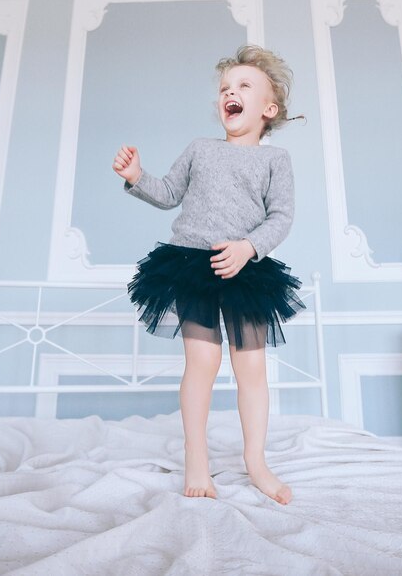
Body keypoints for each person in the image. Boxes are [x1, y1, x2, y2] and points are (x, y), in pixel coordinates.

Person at [112, 44, 306, 505]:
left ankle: (255, 461)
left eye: (244, 87)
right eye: (225, 88)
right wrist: (138, 176)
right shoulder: (200, 149)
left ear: (268, 108)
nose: (230, 94)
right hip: (190, 265)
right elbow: (167, 193)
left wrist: (248, 247)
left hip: (245, 268)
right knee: (202, 362)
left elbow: (280, 218)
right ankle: (195, 456)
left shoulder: (275, 161)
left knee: (252, 368)